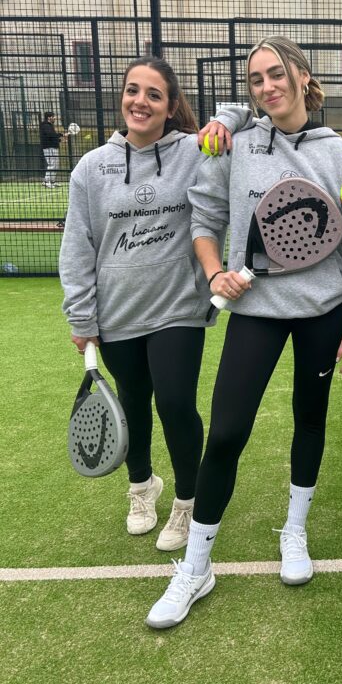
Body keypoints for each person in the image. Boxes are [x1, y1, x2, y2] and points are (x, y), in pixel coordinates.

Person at [145, 36, 342, 629]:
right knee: (225, 433)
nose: (267, 87)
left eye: (276, 74)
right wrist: (215, 272)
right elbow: (205, 219)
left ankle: (294, 530)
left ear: (303, 77)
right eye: (255, 79)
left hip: (324, 312)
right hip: (254, 313)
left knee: (310, 418)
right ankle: (196, 567)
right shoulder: (235, 143)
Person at [60, 56, 223, 551]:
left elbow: (245, 128)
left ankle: (187, 501)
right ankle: (141, 486)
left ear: (171, 107)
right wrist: (82, 316)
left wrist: (226, 119)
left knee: (174, 402)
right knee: (133, 400)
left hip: (178, 308)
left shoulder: (194, 152)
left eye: (154, 94)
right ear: (122, 97)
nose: (140, 101)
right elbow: (78, 246)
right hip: (117, 314)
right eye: (133, 90)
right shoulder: (92, 168)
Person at [40, 112, 65, 188]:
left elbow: (52, 137)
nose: (55, 118)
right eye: (53, 116)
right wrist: (61, 135)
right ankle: (46, 181)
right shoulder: (45, 125)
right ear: (49, 117)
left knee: (56, 165)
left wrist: (60, 139)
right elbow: (50, 135)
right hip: (49, 147)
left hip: (53, 147)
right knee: (52, 164)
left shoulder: (50, 126)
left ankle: (52, 181)